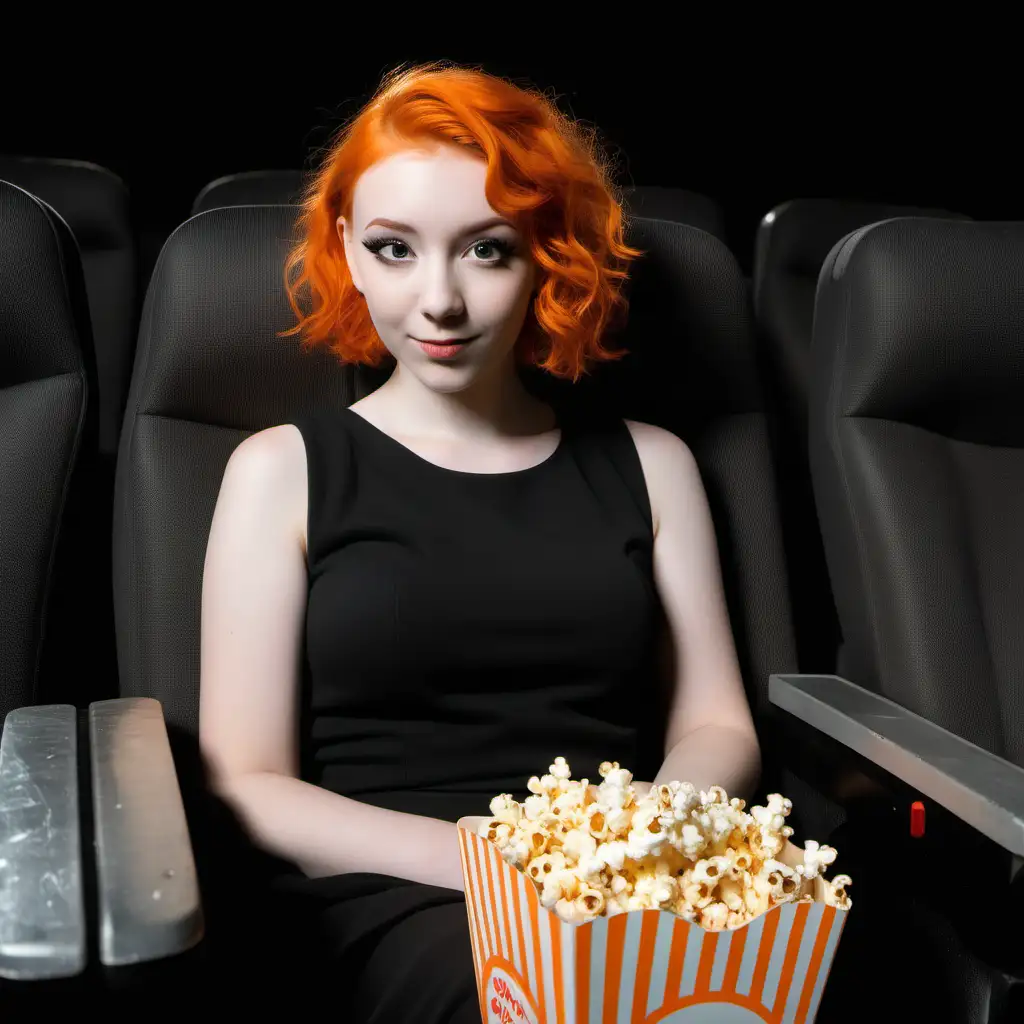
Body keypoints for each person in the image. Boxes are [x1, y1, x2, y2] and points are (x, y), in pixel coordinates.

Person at [197, 61, 761, 1022]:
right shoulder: (279, 470)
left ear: (547, 253)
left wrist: (644, 852)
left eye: (487, 251)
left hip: (625, 883)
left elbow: (718, 727)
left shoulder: (654, 464)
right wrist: (495, 866)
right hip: (387, 894)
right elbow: (246, 786)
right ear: (347, 249)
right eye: (395, 249)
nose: (440, 302)